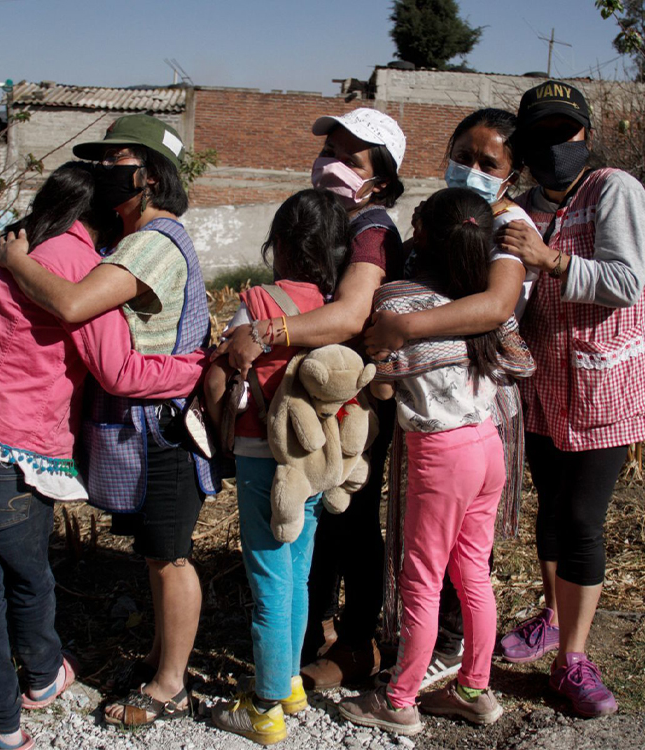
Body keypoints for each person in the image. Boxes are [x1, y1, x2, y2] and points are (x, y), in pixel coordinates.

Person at [0, 162, 207, 750]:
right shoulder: (77, 265)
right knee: (25, 575)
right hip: (2, 449)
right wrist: (190, 367)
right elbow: (117, 370)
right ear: (105, 215)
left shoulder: (11, 248)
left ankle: (0, 722)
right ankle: (42, 680)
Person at [0, 115, 217, 727]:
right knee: (155, 554)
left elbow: (70, 302)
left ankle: (171, 685)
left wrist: (17, 261)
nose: (103, 174)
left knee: (170, 555)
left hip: (162, 425)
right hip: (147, 420)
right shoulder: (138, 242)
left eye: (116, 162)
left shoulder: (154, 240)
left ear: (148, 176)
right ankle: (158, 662)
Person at [217, 107, 407, 690]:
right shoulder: (331, 222)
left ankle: (354, 641)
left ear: (377, 181)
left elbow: (351, 312)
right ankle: (309, 634)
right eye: (330, 153)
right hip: (318, 401)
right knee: (315, 524)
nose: (330, 166)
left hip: (351, 399)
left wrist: (265, 332)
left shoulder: (370, 228)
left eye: (349, 161)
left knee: (349, 517)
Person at [363, 108, 539, 691]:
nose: (471, 169)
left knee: (433, 561)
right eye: (463, 155)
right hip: (470, 419)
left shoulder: (505, 227)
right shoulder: (451, 220)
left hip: (455, 423)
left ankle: (415, 679)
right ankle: (471, 680)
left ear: (511, 176)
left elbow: (495, 309)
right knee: (462, 560)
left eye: (489, 163)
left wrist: (400, 330)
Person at [494, 81, 645, 718]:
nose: (558, 145)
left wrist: (548, 260)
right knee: (552, 515)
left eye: (569, 132)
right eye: (543, 136)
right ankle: (553, 617)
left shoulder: (614, 190)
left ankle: (573, 660)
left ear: (587, 135)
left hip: (602, 389)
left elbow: (625, 282)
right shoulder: (521, 204)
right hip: (543, 390)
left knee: (585, 521)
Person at [337, 188, 507, 736]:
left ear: (422, 234)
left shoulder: (396, 299)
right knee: (473, 573)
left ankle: (400, 697)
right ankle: (475, 689)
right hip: (489, 444)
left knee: (422, 579)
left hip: (441, 455)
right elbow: (519, 362)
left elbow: (382, 384)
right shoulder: (481, 299)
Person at [204, 188, 351, 745]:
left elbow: (227, 386)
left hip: (263, 457)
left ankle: (264, 707)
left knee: (266, 578)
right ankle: (289, 682)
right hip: (314, 462)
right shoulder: (332, 308)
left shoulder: (259, 303)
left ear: (279, 243)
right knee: (297, 573)